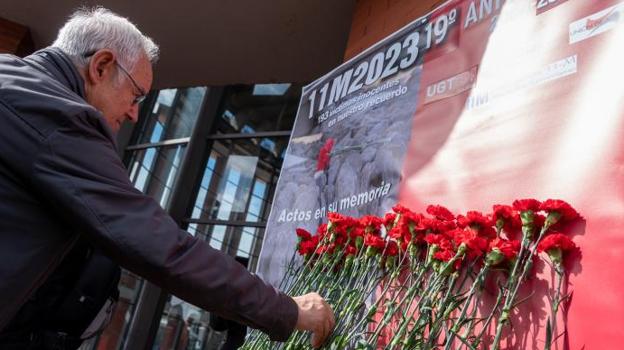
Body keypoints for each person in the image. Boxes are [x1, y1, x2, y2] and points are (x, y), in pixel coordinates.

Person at [0, 7, 334, 349]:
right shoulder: (58, 118)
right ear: (101, 66)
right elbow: (158, 246)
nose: (134, 113)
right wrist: (287, 309)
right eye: (135, 95)